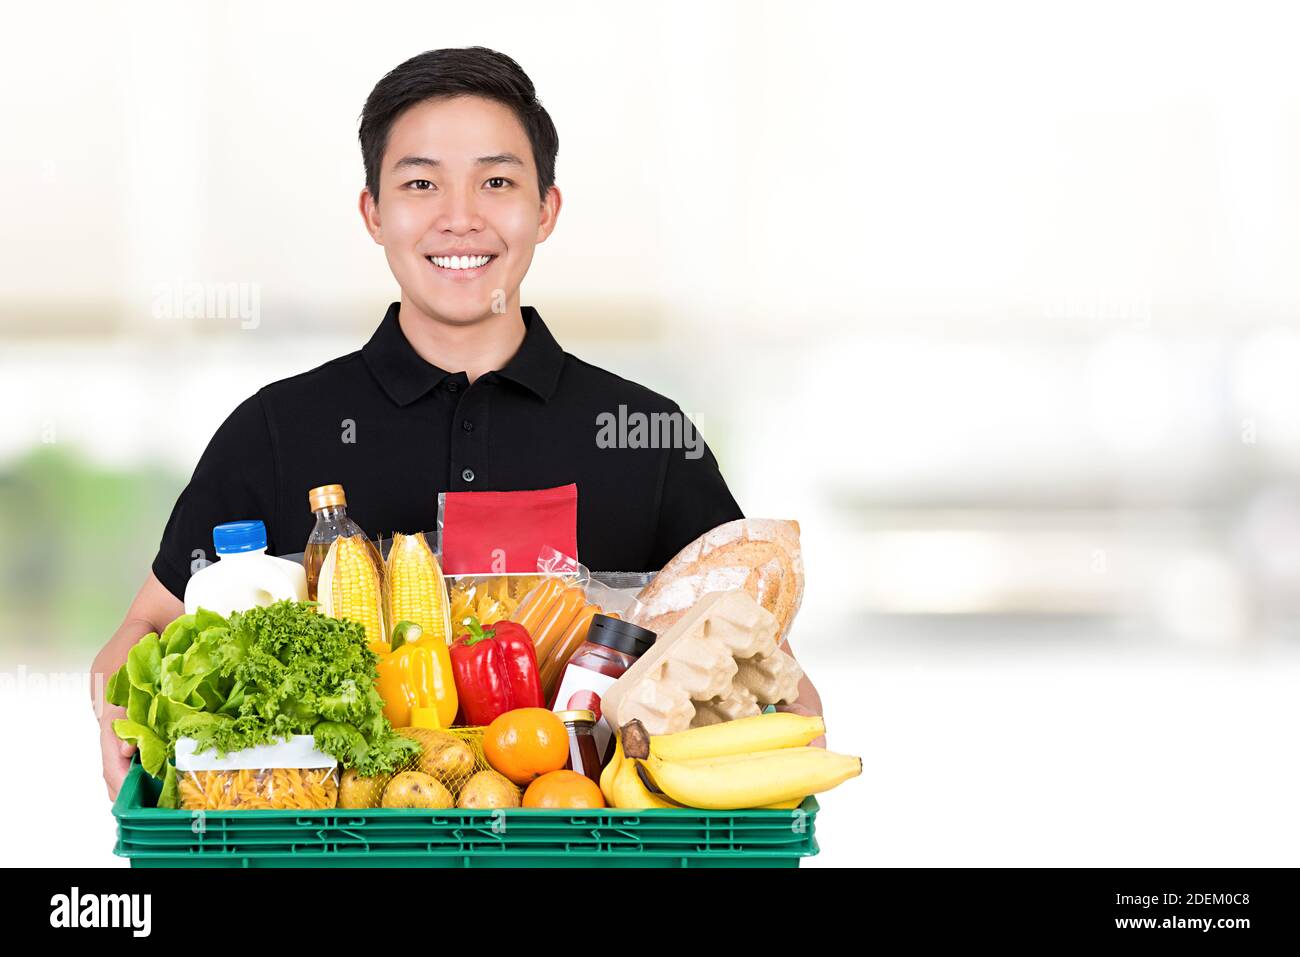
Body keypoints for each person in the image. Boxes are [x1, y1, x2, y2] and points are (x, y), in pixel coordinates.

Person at [94, 47, 822, 800]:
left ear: (546, 210)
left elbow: (751, 652)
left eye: (497, 181)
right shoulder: (275, 428)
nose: (460, 216)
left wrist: (790, 720)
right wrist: (116, 699)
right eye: (420, 183)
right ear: (374, 212)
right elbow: (144, 630)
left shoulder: (646, 431)